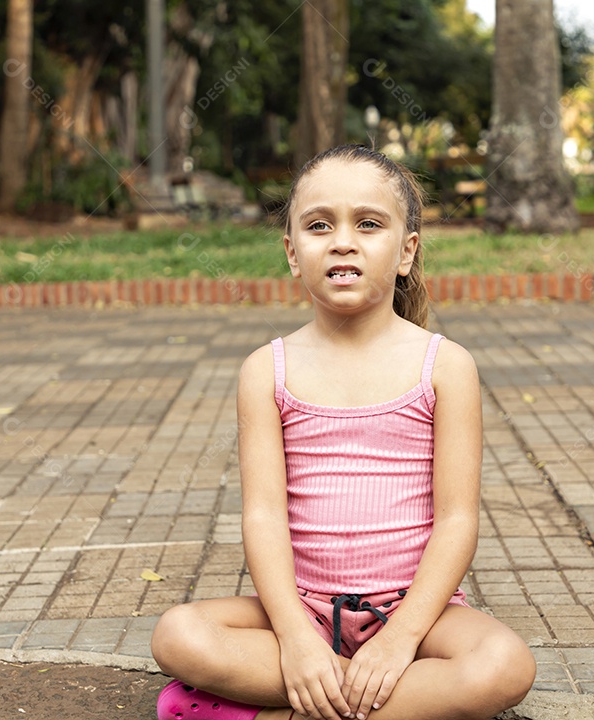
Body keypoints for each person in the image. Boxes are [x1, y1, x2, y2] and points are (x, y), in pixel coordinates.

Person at [150, 144, 536, 720]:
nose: (342, 240)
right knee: (178, 634)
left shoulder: (445, 366)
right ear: (291, 252)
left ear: (406, 251)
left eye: (369, 224)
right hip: (302, 610)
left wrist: (402, 638)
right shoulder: (266, 370)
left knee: (504, 666)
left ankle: (280, 710)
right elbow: (263, 516)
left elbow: (458, 519)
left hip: (414, 613)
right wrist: (298, 641)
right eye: (319, 225)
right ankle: (373, 702)